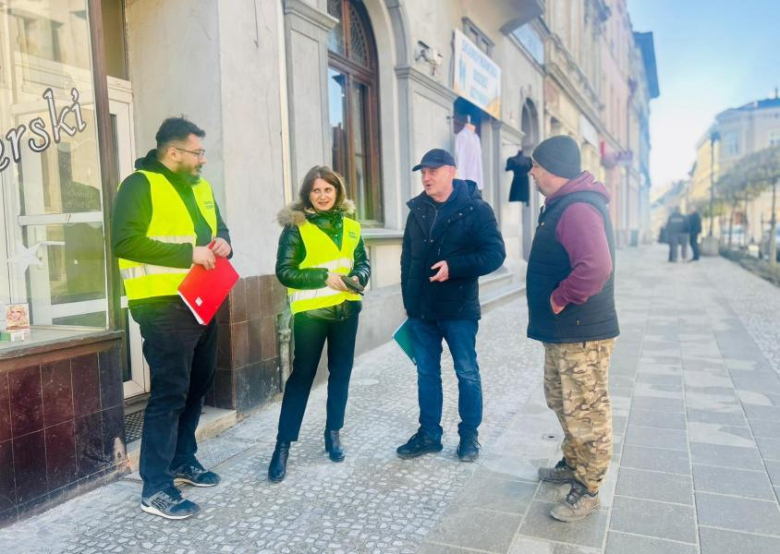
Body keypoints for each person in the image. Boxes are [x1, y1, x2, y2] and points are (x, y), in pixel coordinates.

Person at [112, 117, 231, 520]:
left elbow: (220, 228)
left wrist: (224, 243)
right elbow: (125, 240)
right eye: (197, 152)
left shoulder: (200, 186)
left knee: (199, 383)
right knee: (169, 392)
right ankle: (156, 487)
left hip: (203, 296)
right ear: (173, 152)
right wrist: (188, 254)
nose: (202, 159)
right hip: (162, 305)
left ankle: (182, 460)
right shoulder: (139, 184)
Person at [526, 135, 619, 523]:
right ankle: (574, 463)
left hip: (581, 332)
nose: (531, 172)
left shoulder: (578, 208)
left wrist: (560, 297)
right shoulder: (563, 204)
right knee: (561, 400)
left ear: (552, 169)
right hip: (564, 332)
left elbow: (596, 266)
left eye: (536, 165)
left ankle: (589, 489)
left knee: (587, 411)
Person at [396, 148, 506, 462]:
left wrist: (454, 267)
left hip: (458, 310)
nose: (426, 177)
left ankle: (469, 436)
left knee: (467, 373)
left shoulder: (476, 209)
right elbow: (407, 259)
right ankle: (429, 434)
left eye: (433, 170)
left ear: (452, 172)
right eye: (423, 172)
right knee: (427, 374)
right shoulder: (417, 209)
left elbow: (495, 255)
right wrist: (409, 301)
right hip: (422, 311)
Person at [268, 166, 370, 483]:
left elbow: (363, 262)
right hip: (311, 315)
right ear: (307, 195)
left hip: (346, 311)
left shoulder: (352, 227)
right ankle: (282, 448)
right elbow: (285, 272)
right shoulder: (296, 228)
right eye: (316, 190)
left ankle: (333, 435)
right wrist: (323, 277)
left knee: (341, 376)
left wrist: (359, 278)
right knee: (301, 379)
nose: (323, 196)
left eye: (328, 189)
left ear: (337, 192)